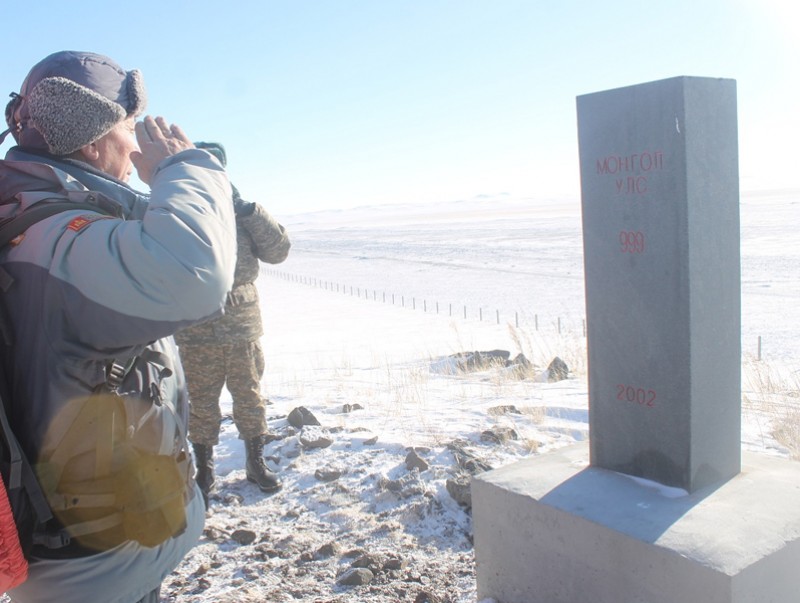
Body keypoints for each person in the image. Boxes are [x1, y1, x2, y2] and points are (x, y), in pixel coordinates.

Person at [0, 51, 237, 602]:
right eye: (129, 127)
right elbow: (192, 272)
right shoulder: (57, 237)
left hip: (96, 542)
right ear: (91, 141)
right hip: (94, 566)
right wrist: (186, 169)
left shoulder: (31, 214)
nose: (137, 147)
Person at [174, 142, 290, 505]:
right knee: (201, 401)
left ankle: (256, 463)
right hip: (197, 328)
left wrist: (250, 212)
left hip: (241, 326)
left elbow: (279, 251)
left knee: (250, 397)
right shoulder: (179, 210)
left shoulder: (243, 214)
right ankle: (204, 470)